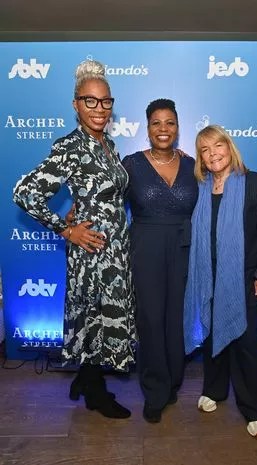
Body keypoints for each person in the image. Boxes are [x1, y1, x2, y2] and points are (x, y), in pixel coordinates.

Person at [13, 59, 136, 419]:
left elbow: (99, 194)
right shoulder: (69, 146)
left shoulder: (108, 144)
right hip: (93, 251)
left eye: (105, 101)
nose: (99, 109)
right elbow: (25, 193)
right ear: (75, 104)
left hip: (116, 249)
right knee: (95, 318)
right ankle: (96, 394)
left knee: (97, 315)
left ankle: (85, 378)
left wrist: (77, 208)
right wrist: (67, 228)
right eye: (90, 101)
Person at [184, 125, 257, 438]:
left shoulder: (256, 183)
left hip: (246, 281)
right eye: (205, 150)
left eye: (218, 146)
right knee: (213, 339)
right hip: (208, 279)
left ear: (230, 146)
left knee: (248, 344)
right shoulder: (199, 187)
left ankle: (254, 408)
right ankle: (214, 390)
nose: (213, 155)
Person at [122, 99, 198, 423]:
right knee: (151, 319)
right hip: (145, 246)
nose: (163, 129)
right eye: (156, 123)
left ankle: (173, 379)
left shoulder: (193, 165)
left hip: (184, 247)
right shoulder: (131, 164)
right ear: (147, 127)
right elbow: (106, 202)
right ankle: (154, 390)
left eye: (170, 123)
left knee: (176, 317)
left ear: (178, 127)